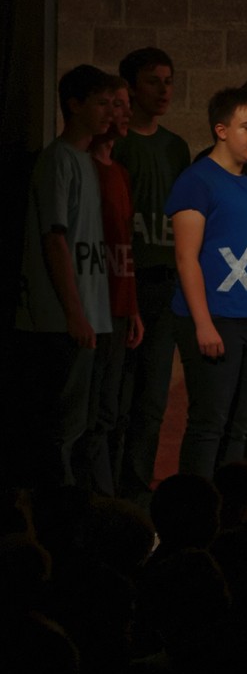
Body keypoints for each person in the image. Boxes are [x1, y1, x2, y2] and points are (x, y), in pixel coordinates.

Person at [168, 87, 247, 479]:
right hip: (216, 318)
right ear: (221, 130)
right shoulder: (197, 181)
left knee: (243, 424)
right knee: (210, 422)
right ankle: (194, 505)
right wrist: (203, 323)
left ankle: (231, 507)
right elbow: (186, 258)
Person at [15, 65, 116, 489]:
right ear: (74, 105)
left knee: (84, 423)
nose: (110, 112)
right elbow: (54, 239)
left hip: (88, 315)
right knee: (60, 427)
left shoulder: (85, 162)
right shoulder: (58, 159)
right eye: (101, 103)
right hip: (60, 321)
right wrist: (75, 313)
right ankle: (54, 507)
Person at [115, 46, 190, 501]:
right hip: (127, 279)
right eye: (152, 81)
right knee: (119, 394)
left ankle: (137, 486)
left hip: (165, 280)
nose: (163, 90)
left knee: (152, 397)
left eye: (168, 81)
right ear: (130, 88)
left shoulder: (175, 147)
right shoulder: (121, 144)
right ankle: (109, 487)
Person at [80, 78, 143, 497]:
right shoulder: (83, 167)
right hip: (93, 307)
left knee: (113, 409)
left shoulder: (119, 172)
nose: (123, 113)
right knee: (92, 411)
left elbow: (125, 246)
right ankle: (93, 498)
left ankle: (112, 495)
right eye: (114, 104)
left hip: (119, 306)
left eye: (124, 105)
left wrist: (133, 307)